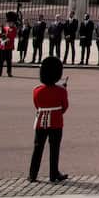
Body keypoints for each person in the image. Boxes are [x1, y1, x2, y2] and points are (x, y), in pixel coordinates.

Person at [29, 55, 69, 183]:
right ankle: (53, 174)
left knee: (37, 148)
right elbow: (64, 107)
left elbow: (36, 105)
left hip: (41, 122)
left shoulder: (37, 90)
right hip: (56, 122)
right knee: (54, 149)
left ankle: (32, 175)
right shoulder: (61, 91)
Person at [0, 11, 18, 77]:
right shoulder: (4, 28)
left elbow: (12, 37)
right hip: (2, 46)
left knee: (8, 61)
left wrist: (5, 40)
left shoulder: (14, 29)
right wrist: (1, 41)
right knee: (1, 61)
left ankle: (9, 72)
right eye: (9, 22)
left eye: (11, 22)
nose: (10, 23)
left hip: (9, 47)